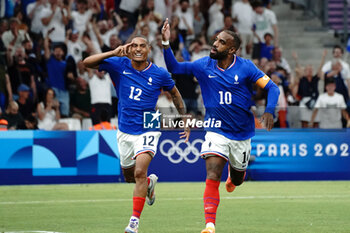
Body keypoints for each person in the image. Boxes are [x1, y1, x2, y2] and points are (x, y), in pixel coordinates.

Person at [162, 18, 280, 233]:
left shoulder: (246, 67)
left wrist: (270, 110)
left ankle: (235, 179)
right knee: (212, 173)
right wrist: (165, 44)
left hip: (241, 133)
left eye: (221, 42)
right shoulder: (203, 65)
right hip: (216, 130)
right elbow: (175, 67)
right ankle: (209, 225)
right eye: (215, 40)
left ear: (232, 49)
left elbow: (272, 88)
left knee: (237, 178)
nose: (215, 44)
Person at [83, 35, 189, 233]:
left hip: (149, 126)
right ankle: (149, 184)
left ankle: (134, 222)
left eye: (142, 46)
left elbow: (175, 93)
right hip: (124, 128)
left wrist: (183, 118)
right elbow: (86, 63)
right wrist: (113, 52)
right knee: (130, 176)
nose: (138, 49)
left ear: (149, 49)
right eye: (134, 46)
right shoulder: (118, 64)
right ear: (129, 49)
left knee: (140, 171)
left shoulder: (159, 74)